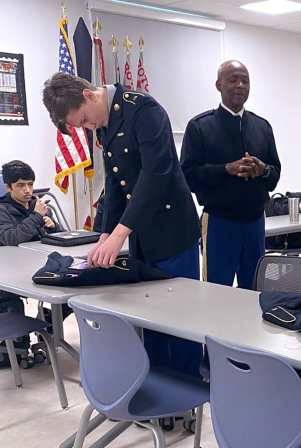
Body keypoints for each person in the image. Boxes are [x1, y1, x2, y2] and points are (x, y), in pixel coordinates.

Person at [42, 71, 203, 376]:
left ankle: (189, 393)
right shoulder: (106, 123)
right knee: (149, 315)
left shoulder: (144, 110)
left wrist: (119, 234)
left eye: (86, 120)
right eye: (83, 126)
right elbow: (116, 182)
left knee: (181, 317)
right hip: (141, 232)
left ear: (89, 95)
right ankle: (158, 391)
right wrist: (105, 233)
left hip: (173, 231)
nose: (89, 127)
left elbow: (156, 175)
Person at [180, 60, 281, 289]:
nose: (240, 85)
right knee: (216, 291)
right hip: (219, 222)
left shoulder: (262, 127)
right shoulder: (199, 127)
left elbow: (275, 176)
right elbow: (188, 176)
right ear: (219, 85)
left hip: (255, 222)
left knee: (255, 290)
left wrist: (262, 170)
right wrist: (226, 169)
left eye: (245, 80)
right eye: (233, 79)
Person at [0, 160, 68, 341]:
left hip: (42, 264)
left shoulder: (37, 205)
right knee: (12, 303)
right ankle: (22, 342)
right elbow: (12, 238)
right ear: (8, 187)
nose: (27, 190)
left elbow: (62, 236)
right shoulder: (0, 211)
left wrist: (53, 226)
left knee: (71, 289)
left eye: (30, 184)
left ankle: (47, 325)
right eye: (20, 185)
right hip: (12, 270)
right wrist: (37, 217)